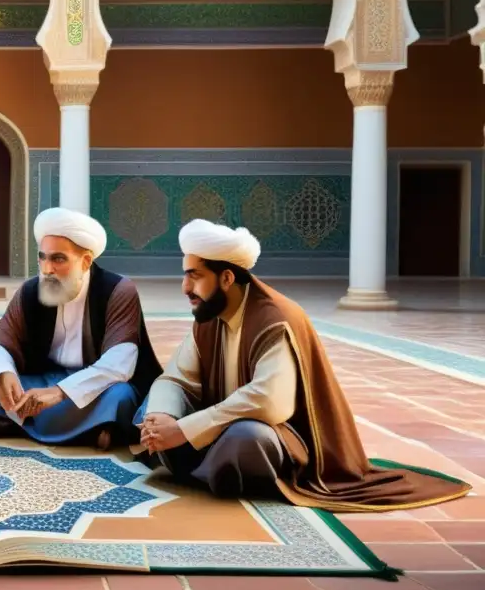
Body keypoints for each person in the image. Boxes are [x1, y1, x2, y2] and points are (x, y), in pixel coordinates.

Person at [138, 218, 471, 510]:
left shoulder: (275, 319)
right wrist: (164, 418)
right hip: (213, 432)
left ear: (226, 278)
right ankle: (210, 471)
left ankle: (194, 467)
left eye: (194, 276)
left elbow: (270, 402)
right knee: (149, 410)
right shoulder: (208, 316)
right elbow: (176, 379)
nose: (186, 288)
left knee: (247, 437)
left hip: (279, 439)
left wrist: (183, 431)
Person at [0, 207, 164, 449]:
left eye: (58, 259)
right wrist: (3, 372)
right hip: (38, 382)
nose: (47, 269)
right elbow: (0, 343)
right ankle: (86, 432)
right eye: (42, 257)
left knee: (120, 397)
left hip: (91, 385)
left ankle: (10, 423)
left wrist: (60, 392)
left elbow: (119, 363)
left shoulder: (117, 290)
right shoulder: (31, 291)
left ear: (85, 262)